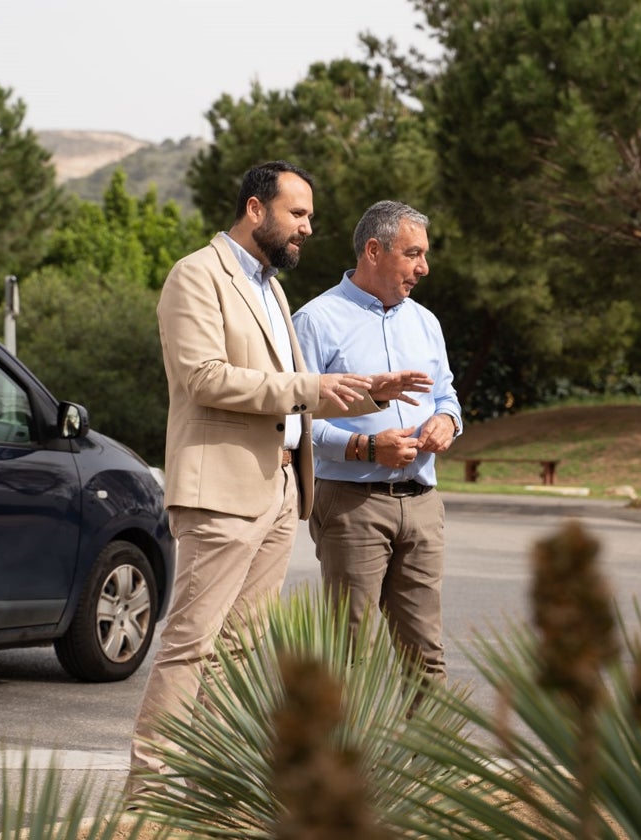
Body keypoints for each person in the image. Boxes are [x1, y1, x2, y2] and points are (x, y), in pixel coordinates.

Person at [126, 162, 426, 801]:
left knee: (239, 650)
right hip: (220, 491)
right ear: (256, 210)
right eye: (298, 215)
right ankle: (148, 799)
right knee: (190, 646)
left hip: (280, 487)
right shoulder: (197, 275)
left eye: (309, 217)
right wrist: (313, 387)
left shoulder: (272, 288)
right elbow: (204, 377)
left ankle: (206, 788)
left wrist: (372, 390)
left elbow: (299, 395)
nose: (308, 229)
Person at [292, 199, 462, 691]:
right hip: (352, 507)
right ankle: (345, 766)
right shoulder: (316, 320)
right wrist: (368, 448)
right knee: (351, 657)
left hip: (424, 504)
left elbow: (446, 394)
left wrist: (447, 422)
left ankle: (423, 768)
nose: (423, 268)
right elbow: (296, 422)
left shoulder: (426, 322)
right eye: (413, 254)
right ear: (374, 250)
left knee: (427, 657)